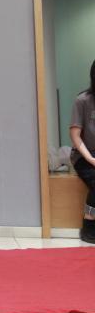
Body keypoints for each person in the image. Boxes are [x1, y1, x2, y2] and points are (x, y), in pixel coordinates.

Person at [69, 59, 95, 244]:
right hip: (84, 155)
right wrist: (91, 159)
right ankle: (89, 224)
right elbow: (75, 136)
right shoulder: (83, 100)